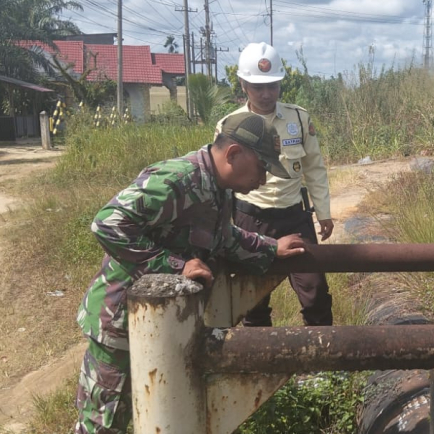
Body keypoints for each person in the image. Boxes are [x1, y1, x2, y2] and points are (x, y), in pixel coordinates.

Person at [74, 112, 307, 434]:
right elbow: (108, 223)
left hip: (159, 324)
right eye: (262, 167)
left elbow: (224, 236)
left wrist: (270, 248)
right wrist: (174, 266)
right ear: (234, 154)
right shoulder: (177, 179)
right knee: (103, 423)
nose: (264, 180)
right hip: (121, 321)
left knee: (157, 409)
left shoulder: (218, 188)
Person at [216, 42, 333, 327]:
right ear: (244, 85)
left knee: (315, 291)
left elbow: (314, 167)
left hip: (294, 217)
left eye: (273, 85)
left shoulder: (298, 119)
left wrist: (324, 212)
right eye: (258, 87)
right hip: (250, 218)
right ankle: (260, 363)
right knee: (252, 299)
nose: (266, 94)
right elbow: (221, 180)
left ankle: (322, 364)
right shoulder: (230, 125)